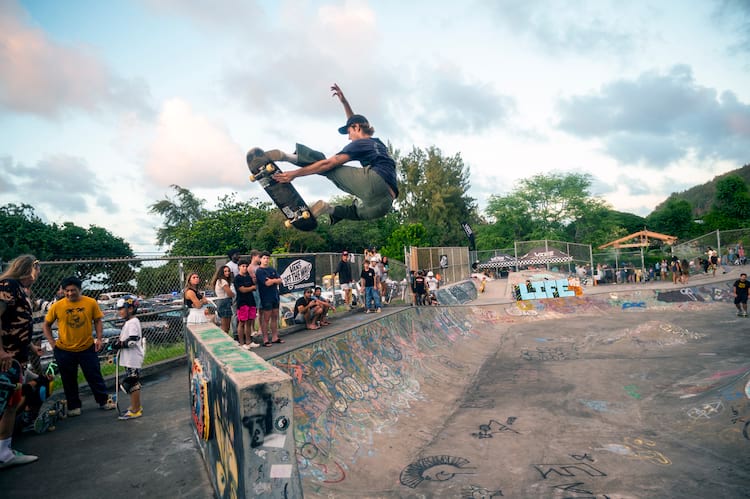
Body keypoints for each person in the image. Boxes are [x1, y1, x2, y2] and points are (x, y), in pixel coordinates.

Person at [255, 83, 399, 224]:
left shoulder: (359, 144)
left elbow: (328, 164)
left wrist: (294, 174)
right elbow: (356, 121)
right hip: (385, 204)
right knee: (354, 212)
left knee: (328, 166)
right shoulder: (377, 143)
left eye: (349, 133)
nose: (349, 137)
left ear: (356, 128)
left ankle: (284, 156)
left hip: (373, 183)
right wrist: (344, 103)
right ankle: (328, 209)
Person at [42, 276, 116, 417]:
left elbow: (98, 320)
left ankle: (103, 400)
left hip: (87, 347)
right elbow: (46, 325)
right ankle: (73, 406)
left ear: (80, 289)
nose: (70, 293)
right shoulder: (57, 306)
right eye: (67, 291)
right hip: (64, 349)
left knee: (94, 375)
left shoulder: (90, 302)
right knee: (68, 379)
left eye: (73, 290)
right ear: (63, 291)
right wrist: (52, 343)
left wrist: (99, 339)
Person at [0, 255, 41, 468]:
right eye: (38, 268)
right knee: (4, 403)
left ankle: (4, 452)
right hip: (6, 359)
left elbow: (18, 324)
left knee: (11, 402)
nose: (39, 273)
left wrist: (32, 347)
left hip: (17, 359)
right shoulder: (9, 284)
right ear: (31, 268)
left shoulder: (22, 292)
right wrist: (1, 351)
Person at [113, 295, 144, 420]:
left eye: (122, 309)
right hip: (129, 359)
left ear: (130, 309)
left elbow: (132, 341)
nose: (120, 311)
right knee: (132, 383)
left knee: (132, 383)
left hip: (133, 359)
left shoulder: (132, 322)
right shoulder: (130, 322)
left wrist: (120, 344)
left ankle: (136, 410)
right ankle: (135, 406)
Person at [255, 252, 285, 346]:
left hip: (275, 296)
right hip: (266, 297)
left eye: (267, 258)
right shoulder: (259, 271)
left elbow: (280, 280)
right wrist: (273, 281)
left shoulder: (272, 269)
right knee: (266, 318)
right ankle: (265, 339)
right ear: (260, 259)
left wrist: (272, 280)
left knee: (275, 317)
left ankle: (275, 337)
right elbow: (266, 283)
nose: (266, 260)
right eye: (264, 258)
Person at [234, 260, 259, 349]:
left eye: (246, 266)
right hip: (242, 302)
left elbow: (254, 287)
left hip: (251, 301)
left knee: (249, 321)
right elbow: (242, 290)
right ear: (239, 267)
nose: (244, 268)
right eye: (242, 266)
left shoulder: (248, 277)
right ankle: (241, 343)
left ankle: (249, 341)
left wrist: (250, 288)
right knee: (242, 322)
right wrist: (250, 288)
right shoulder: (237, 278)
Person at [211, 265, 234, 335]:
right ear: (221, 272)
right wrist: (233, 294)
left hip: (222, 302)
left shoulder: (219, 281)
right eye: (225, 271)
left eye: (228, 271)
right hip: (224, 302)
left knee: (226, 326)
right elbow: (229, 293)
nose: (227, 273)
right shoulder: (222, 281)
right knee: (225, 326)